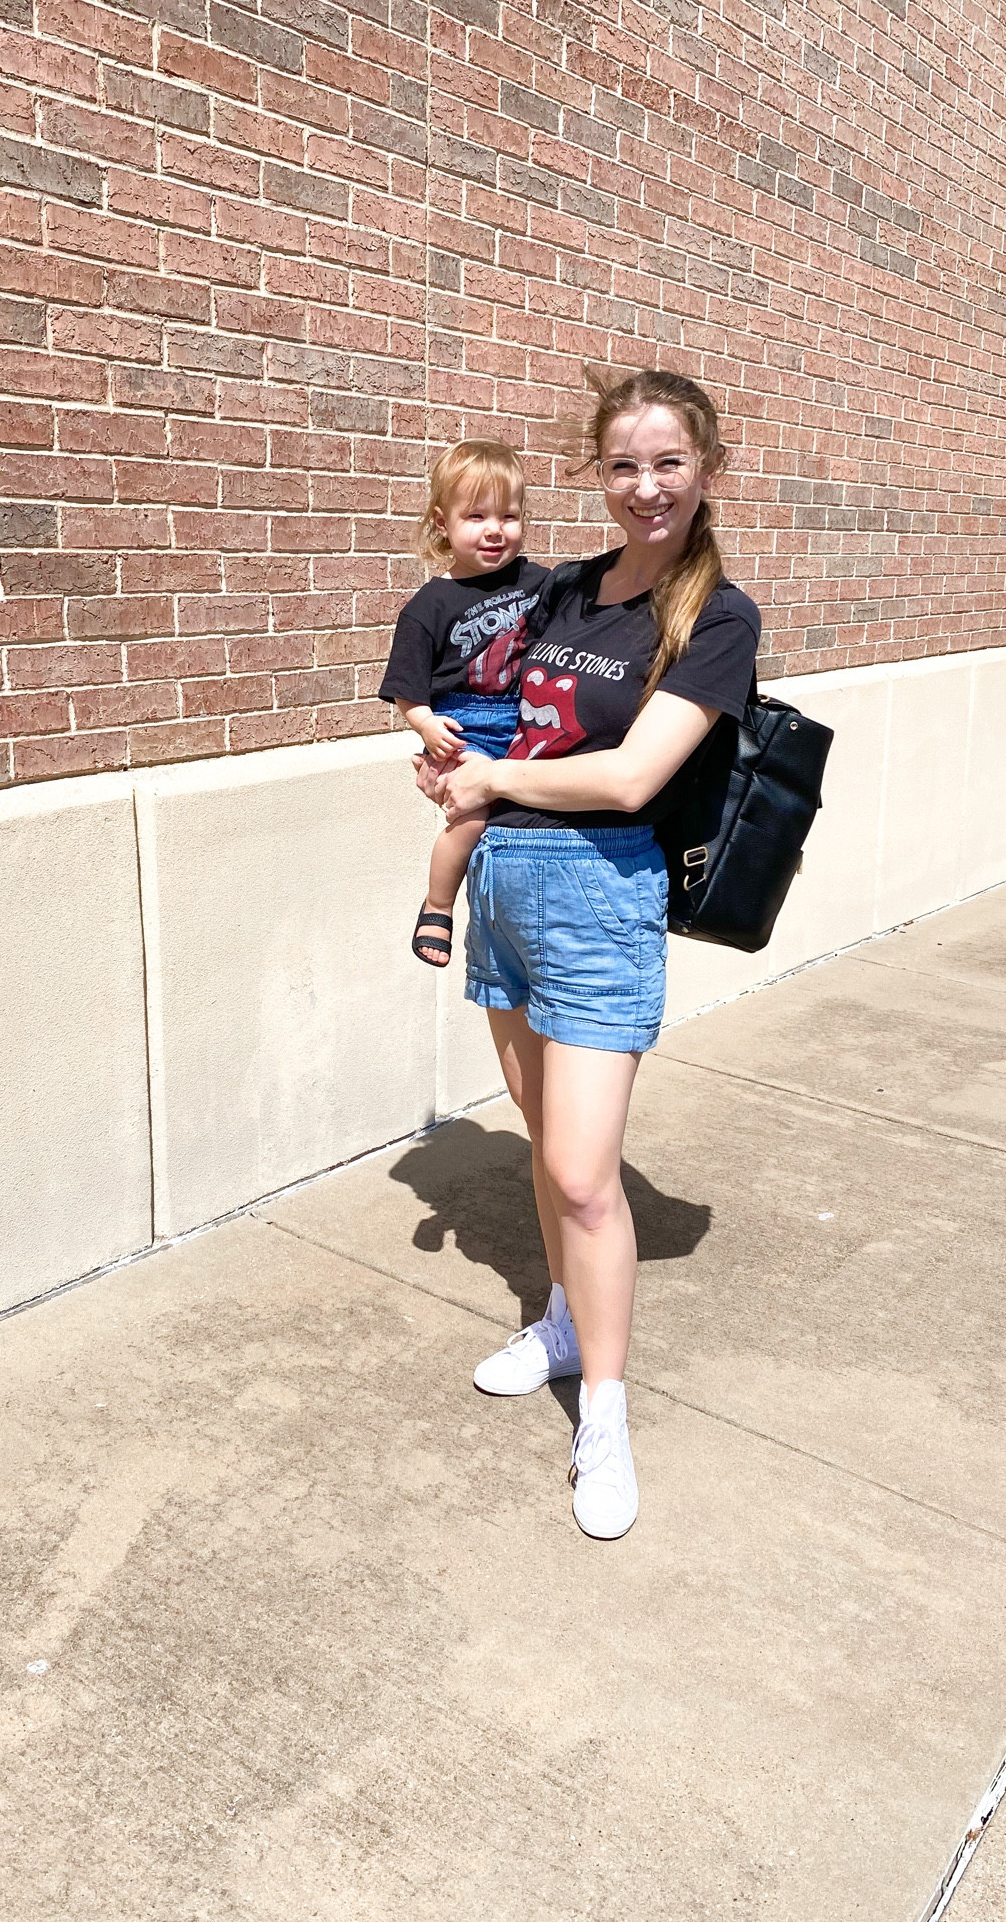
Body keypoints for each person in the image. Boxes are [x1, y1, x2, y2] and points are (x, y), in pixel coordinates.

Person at [417, 369, 760, 1539]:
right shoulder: (559, 590)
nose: (646, 485)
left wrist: (500, 775)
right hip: (506, 882)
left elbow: (628, 776)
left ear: (708, 468)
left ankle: (603, 1409)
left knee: (580, 1172)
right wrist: (453, 759)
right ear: (597, 474)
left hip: (601, 894)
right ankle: (560, 1319)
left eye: (669, 462)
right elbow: (494, 716)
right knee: (536, 1135)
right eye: (623, 465)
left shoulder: (714, 615)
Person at [379, 441, 549, 967]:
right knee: (470, 818)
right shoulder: (428, 606)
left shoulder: (541, 582)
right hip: (465, 723)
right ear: (442, 523)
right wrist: (426, 726)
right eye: (476, 516)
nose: (494, 529)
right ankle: (437, 905)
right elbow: (407, 686)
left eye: (508, 515)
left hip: (528, 717)